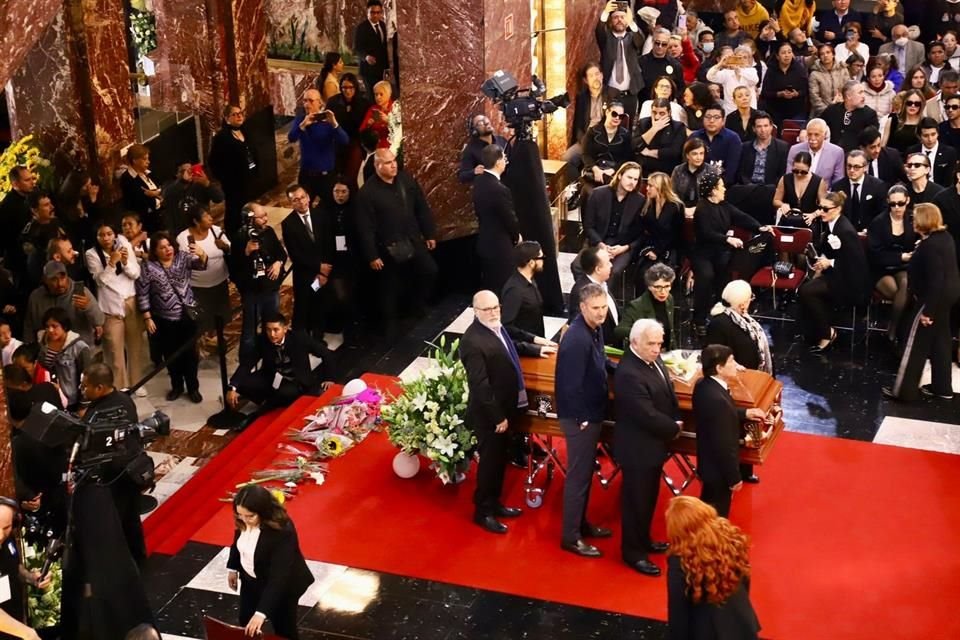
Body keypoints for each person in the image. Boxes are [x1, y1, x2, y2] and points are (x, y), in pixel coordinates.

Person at [459, 290, 530, 534]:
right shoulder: (472, 340)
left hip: (506, 408)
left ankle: (495, 503)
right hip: (490, 416)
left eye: (496, 307)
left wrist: (535, 347)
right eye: (487, 309)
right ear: (476, 312)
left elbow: (510, 350)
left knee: (500, 461)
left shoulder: (496, 328)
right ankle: (483, 511)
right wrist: (497, 416)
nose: (493, 312)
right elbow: (480, 385)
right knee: (490, 464)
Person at [613, 318, 678, 577]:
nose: (657, 348)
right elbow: (645, 414)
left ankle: (644, 540)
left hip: (651, 447)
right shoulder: (629, 372)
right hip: (637, 448)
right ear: (634, 342)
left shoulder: (652, 359)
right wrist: (673, 427)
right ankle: (633, 553)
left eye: (659, 343)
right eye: (651, 343)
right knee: (636, 502)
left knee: (648, 498)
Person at [556, 283, 616, 558]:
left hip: (592, 412)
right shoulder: (576, 339)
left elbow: (600, 361)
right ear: (582, 308)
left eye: (604, 307)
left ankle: (581, 524)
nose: (602, 313)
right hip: (580, 417)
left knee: (584, 476)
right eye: (596, 308)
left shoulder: (594, 329)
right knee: (578, 478)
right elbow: (568, 385)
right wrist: (581, 417)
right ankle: (571, 537)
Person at [355, 149, 438, 337]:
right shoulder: (367, 193)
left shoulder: (405, 180)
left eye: (394, 161)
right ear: (378, 166)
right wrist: (372, 255)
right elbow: (365, 228)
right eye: (388, 162)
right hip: (388, 247)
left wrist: (429, 233)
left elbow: (421, 207)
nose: (393, 165)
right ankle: (390, 324)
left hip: (413, 239)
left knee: (429, 271)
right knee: (390, 287)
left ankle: (417, 306)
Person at [883, 203, 960, 401]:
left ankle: (904, 391)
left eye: (915, 217)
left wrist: (928, 312)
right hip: (948, 296)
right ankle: (942, 388)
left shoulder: (930, 245)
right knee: (941, 340)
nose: (913, 221)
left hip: (933, 298)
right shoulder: (944, 238)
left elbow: (936, 280)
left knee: (915, 341)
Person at [665, 496, 761, 639]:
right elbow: (745, 579)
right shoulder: (730, 538)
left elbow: (679, 615)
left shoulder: (679, 561)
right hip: (742, 623)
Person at [227, 485, 313, 639]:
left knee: (284, 630)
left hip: (284, 587)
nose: (244, 520)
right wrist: (232, 567)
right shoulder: (244, 518)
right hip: (252, 580)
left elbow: (279, 577)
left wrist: (261, 613)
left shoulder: (282, 531)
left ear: (263, 511)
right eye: (240, 515)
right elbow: (238, 541)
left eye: (250, 516)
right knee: (245, 620)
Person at [693, 344, 767, 517]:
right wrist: (734, 477)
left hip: (708, 464)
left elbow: (722, 412)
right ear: (719, 368)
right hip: (718, 471)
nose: (736, 365)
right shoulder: (717, 399)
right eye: (731, 361)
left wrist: (745, 412)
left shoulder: (703, 385)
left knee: (708, 511)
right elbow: (724, 446)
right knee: (716, 517)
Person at [691, 168, 769, 334]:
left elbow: (741, 217)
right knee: (706, 277)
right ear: (713, 190)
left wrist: (759, 226)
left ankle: (723, 317)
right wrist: (727, 239)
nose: (724, 189)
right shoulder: (702, 208)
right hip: (703, 254)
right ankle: (699, 320)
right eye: (721, 186)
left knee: (724, 281)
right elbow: (706, 233)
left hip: (720, 253)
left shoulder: (724, 205)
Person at [136, 231, 208, 403]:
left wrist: (202, 254)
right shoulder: (148, 267)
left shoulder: (182, 258)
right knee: (170, 355)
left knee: (190, 354)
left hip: (187, 315)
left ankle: (193, 388)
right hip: (164, 318)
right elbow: (143, 293)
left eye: (169, 245)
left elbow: (201, 265)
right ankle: (176, 386)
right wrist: (147, 317)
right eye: (162, 247)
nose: (167, 250)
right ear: (155, 250)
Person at [798, 191, 870, 351]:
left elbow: (855, 264)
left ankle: (827, 333)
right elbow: (830, 250)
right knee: (806, 288)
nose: (821, 212)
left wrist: (829, 262)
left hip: (849, 282)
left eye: (825, 209)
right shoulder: (832, 225)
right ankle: (817, 330)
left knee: (807, 292)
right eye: (820, 208)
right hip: (837, 275)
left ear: (837, 209)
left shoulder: (845, 230)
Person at [226, 312, 335, 413]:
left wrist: (329, 378)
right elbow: (247, 363)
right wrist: (233, 387)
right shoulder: (263, 340)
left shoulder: (299, 338)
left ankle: (272, 402)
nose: (272, 334)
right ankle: (269, 400)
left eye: (276, 330)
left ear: (285, 328)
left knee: (284, 393)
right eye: (268, 330)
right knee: (242, 383)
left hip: (296, 380)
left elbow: (326, 353)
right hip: (272, 376)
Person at [85, 222, 146, 392]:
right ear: (97, 237)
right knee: (114, 352)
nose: (106, 238)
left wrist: (125, 262)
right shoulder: (92, 254)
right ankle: (119, 387)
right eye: (101, 235)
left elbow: (135, 273)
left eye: (109, 233)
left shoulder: (124, 244)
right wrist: (111, 263)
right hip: (110, 307)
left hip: (130, 301)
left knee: (135, 347)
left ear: (114, 234)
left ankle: (137, 383)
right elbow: (100, 281)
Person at [230, 203, 287, 360]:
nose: (265, 219)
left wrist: (278, 263)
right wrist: (246, 252)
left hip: (271, 288)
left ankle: (271, 357)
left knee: (271, 326)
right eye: (261, 217)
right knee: (250, 331)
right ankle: (246, 362)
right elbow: (234, 268)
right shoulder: (240, 237)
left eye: (265, 215)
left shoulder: (268, 232)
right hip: (252, 292)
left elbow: (281, 253)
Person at [582, 162, 644, 291]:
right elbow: (588, 226)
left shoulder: (640, 201)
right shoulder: (598, 194)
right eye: (629, 177)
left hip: (622, 247)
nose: (632, 182)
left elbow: (641, 233)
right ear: (620, 175)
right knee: (577, 266)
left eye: (635, 179)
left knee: (612, 271)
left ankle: (603, 301)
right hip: (599, 242)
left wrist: (624, 248)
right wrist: (600, 244)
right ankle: (584, 297)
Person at [281, 183, 333, 338]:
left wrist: (324, 272)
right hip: (305, 274)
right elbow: (295, 254)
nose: (301, 202)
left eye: (303, 197)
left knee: (320, 304)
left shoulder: (321, 215)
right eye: (296, 200)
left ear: (308, 197)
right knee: (303, 306)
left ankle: (318, 337)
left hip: (324, 272)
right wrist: (318, 268)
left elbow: (328, 243)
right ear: (291, 203)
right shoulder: (288, 224)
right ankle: (302, 340)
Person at [867, 185, 915, 342]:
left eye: (900, 203)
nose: (897, 208)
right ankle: (899, 330)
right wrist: (902, 257)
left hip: (903, 268)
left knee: (905, 282)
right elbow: (875, 256)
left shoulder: (912, 219)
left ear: (907, 201)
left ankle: (893, 329)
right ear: (888, 202)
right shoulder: (878, 222)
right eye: (893, 204)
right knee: (900, 294)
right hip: (880, 269)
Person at [0, 497, 52, 640]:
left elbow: (15, 568)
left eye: (6, 527)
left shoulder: (7, 540)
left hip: (14, 629)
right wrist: (28, 633)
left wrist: (29, 577)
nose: (0, 534)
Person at [176, 204, 231, 336]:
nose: (210, 218)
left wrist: (224, 246)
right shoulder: (183, 239)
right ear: (196, 221)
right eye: (206, 216)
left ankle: (220, 343)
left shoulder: (216, 231)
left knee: (221, 318)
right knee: (204, 322)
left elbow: (230, 248)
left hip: (220, 283)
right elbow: (184, 264)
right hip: (199, 288)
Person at [473, 144, 521, 294]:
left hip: (484, 241)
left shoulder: (479, 182)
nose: (506, 161)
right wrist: (516, 236)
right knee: (504, 286)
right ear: (498, 162)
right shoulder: (499, 189)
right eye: (504, 158)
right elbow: (509, 218)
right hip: (500, 246)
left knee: (490, 284)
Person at [289, 89, 348, 206]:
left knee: (331, 209)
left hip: (326, 176)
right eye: (304, 101)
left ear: (320, 103)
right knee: (303, 207)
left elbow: (344, 140)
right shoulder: (300, 120)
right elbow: (292, 138)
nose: (306, 104)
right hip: (306, 175)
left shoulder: (328, 122)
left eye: (310, 101)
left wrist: (335, 124)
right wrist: (303, 125)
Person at [24, 260, 103, 347]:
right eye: (54, 279)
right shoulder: (36, 297)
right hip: (49, 350)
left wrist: (88, 307)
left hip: (80, 348)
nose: (60, 284)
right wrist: (29, 348)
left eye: (62, 278)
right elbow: (29, 327)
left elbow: (100, 320)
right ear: (45, 280)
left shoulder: (81, 292)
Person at [209, 104, 260, 235]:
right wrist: (226, 178)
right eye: (235, 114)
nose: (239, 116)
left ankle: (250, 229)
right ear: (227, 118)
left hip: (249, 179)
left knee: (249, 206)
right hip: (234, 183)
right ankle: (235, 234)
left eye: (240, 113)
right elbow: (213, 162)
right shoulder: (221, 138)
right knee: (235, 209)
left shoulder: (246, 131)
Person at [595, 2, 645, 121]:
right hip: (611, 94)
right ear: (610, 21)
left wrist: (631, 21)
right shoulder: (606, 38)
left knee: (627, 127)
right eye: (615, 17)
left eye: (622, 17)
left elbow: (640, 41)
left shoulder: (632, 37)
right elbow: (599, 31)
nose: (619, 20)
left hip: (630, 94)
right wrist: (606, 12)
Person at [557, 63, 607, 176]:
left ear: (602, 75)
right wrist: (584, 142)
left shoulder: (612, 94)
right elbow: (579, 125)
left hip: (605, 140)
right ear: (585, 80)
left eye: (597, 74)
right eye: (591, 76)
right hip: (586, 139)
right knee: (566, 158)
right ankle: (577, 186)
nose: (596, 78)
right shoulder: (582, 97)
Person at [615, 262, 676, 350]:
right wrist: (643, 332)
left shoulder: (669, 299)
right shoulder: (637, 305)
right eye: (658, 287)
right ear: (649, 287)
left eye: (666, 286)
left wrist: (675, 352)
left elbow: (671, 331)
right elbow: (619, 331)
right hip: (645, 353)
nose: (663, 291)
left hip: (666, 352)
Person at [326, 73, 371, 192]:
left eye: (350, 87)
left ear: (355, 87)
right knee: (336, 175)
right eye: (344, 87)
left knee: (351, 176)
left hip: (356, 141)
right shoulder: (333, 102)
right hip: (337, 142)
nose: (347, 91)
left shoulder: (364, 103)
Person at [18, 191, 69, 293]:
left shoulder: (55, 222)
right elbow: (34, 270)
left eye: (50, 203)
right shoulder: (30, 235)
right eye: (46, 205)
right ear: (34, 210)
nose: (52, 207)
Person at [568, 246, 620, 346]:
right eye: (608, 263)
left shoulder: (602, 284)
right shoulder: (582, 291)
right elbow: (580, 326)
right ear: (598, 269)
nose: (611, 265)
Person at [581, 101, 634, 190]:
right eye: (614, 114)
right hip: (595, 169)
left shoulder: (625, 135)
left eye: (621, 116)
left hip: (615, 172)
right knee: (589, 192)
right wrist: (595, 169)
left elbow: (627, 158)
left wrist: (613, 170)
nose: (617, 118)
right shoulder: (593, 131)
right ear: (607, 112)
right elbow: (585, 154)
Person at [160, 162, 224, 234]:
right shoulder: (171, 188)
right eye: (183, 171)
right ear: (177, 174)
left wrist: (207, 183)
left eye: (190, 170)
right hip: (181, 231)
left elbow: (219, 198)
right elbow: (166, 196)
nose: (188, 173)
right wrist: (181, 182)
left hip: (201, 228)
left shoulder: (201, 184)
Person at [831, 149, 888, 230]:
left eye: (856, 167)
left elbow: (883, 213)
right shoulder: (838, 187)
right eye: (849, 166)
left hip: (870, 232)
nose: (851, 170)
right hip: (845, 232)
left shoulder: (877, 186)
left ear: (865, 167)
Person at [637, 172, 683, 271]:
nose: (646, 188)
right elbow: (643, 230)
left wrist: (657, 251)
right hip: (650, 246)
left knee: (660, 274)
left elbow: (676, 235)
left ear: (660, 187)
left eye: (650, 186)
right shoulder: (647, 204)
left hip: (669, 248)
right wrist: (650, 249)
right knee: (643, 274)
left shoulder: (676, 206)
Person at [501, 242, 548, 340]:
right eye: (541, 258)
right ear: (531, 263)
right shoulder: (514, 290)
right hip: (525, 346)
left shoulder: (530, 280)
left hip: (537, 341)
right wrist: (533, 339)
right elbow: (507, 326)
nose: (543, 261)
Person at [759, 41, 809, 128]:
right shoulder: (771, 70)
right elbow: (765, 92)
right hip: (775, 111)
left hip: (796, 110)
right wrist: (779, 94)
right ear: (777, 56)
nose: (787, 55)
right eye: (783, 53)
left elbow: (806, 90)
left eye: (789, 52)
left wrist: (796, 94)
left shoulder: (799, 69)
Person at [691, 104, 742, 185]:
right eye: (708, 117)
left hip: (724, 186)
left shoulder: (733, 138)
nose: (711, 120)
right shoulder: (694, 137)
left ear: (723, 121)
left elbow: (731, 171)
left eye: (716, 117)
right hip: (696, 184)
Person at [820, 81, 879, 152]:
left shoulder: (869, 114)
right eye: (860, 93)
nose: (863, 96)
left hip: (856, 157)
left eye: (864, 92)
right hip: (831, 154)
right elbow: (818, 123)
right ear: (848, 96)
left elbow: (872, 139)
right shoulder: (832, 110)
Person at [635, 98, 688, 176]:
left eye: (662, 113)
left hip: (668, 170)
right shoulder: (644, 123)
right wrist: (654, 129)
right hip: (645, 169)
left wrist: (649, 152)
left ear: (669, 113)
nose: (657, 117)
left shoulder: (678, 127)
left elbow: (674, 152)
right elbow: (635, 146)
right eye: (654, 112)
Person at [786, 119, 845, 187]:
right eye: (809, 134)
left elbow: (838, 182)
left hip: (824, 194)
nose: (812, 138)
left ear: (824, 135)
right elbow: (789, 177)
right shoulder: (795, 150)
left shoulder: (837, 152)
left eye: (816, 135)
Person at [773, 152, 826, 226]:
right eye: (795, 171)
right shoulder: (785, 179)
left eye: (803, 172)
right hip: (788, 220)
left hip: (808, 222)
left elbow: (825, 206)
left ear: (809, 167)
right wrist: (782, 205)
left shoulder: (818, 181)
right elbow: (776, 200)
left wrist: (813, 215)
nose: (799, 174)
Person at [120, 144, 163, 233]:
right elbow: (141, 200)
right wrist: (157, 195)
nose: (148, 162)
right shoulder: (127, 178)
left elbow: (160, 188)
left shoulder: (148, 172)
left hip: (160, 216)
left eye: (148, 158)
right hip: (146, 222)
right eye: (144, 159)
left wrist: (156, 193)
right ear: (135, 160)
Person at [0, 166, 37, 265]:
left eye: (32, 178)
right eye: (27, 180)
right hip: (20, 261)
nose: (32, 182)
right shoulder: (7, 207)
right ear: (15, 184)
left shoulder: (33, 194)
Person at [353, 0, 390, 98]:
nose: (375, 15)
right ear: (367, 12)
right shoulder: (361, 28)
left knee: (383, 95)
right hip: (368, 70)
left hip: (381, 69)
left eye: (378, 13)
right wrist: (366, 57)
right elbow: (357, 48)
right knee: (372, 96)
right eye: (372, 12)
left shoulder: (383, 25)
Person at [706, 48, 759, 115]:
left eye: (745, 57)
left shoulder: (752, 71)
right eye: (739, 57)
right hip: (730, 112)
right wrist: (720, 64)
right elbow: (710, 76)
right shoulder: (726, 73)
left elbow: (755, 80)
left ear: (749, 60)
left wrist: (738, 70)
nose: (741, 59)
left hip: (750, 112)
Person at [459, 114, 509, 184]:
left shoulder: (501, 140)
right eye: (480, 122)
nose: (486, 122)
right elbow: (462, 176)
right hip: (489, 189)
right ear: (475, 131)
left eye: (485, 119)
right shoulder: (470, 149)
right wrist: (474, 172)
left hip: (509, 188)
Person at [908, 118, 958, 187]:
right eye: (926, 135)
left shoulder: (949, 152)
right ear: (919, 136)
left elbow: (950, 180)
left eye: (933, 134)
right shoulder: (912, 151)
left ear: (938, 134)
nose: (930, 139)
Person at [640, 28, 686, 100]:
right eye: (657, 43)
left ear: (668, 44)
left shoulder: (675, 65)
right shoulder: (640, 62)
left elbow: (680, 88)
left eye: (664, 44)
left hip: (668, 106)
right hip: (645, 104)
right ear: (652, 41)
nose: (660, 46)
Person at [672, 138, 708, 218]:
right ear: (687, 155)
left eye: (701, 153)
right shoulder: (678, 170)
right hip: (681, 211)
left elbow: (712, 199)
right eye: (695, 154)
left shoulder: (710, 171)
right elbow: (673, 195)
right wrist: (683, 210)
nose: (699, 157)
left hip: (704, 212)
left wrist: (695, 210)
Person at [359, 80, 399, 151]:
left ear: (389, 94)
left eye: (381, 94)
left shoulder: (396, 108)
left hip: (392, 147)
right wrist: (368, 124)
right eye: (376, 94)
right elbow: (362, 130)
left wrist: (388, 121)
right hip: (375, 148)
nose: (378, 97)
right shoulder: (373, 109)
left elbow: (400, 130)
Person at [808, 45, 847, 117]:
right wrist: (828, 111)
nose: (825, 55)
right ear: (819, 57)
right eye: (822, 54)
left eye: (828, 52)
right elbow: (814, 98)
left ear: (833, 54)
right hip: (821, 113)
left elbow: (848, 90)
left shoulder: (843, 69)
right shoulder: (814, 74)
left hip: (842, 110)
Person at [884, 89, 926, 155]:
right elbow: (883, 146)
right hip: (894, 159)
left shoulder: (925, 123)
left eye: (917, 104)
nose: (913, 106)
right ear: (904, 103)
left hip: (916, 161)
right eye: (909, 103)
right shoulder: (893, 120)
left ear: (921, 105)